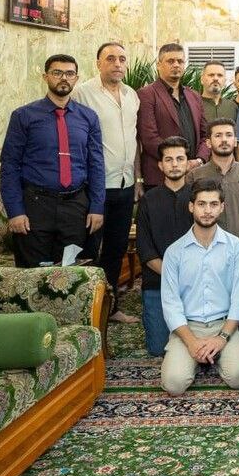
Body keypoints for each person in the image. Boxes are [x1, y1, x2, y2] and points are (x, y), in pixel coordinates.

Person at [1, 54, 105, 268]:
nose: (64, 78)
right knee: (32, 275)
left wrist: (97, 207)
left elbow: (96, 165)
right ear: (45, 76)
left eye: (70, 73)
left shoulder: (89, 117)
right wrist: (15, 211)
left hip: (76, 207)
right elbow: (10, 166)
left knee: (73, 273)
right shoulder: (23, 116)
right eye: (57, 73)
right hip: (35, 207)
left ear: (76, 78)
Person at [159, 177, 239, 396]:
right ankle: (200, 357)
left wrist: (221, 339)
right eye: (201, 204)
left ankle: (212, 355)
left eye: (213, 204)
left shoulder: (236, 247)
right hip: (187, 327)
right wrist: (191, 342)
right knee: (174, 384)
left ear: (222, 207)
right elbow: (171, 304)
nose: (207, 211)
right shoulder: (174, 252)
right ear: (191, 207)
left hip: (224, 325)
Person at [70, 42, 140, 322]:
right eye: (110, 58)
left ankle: (110, 308)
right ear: (98, 63)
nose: (117, 63)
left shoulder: (132, 95)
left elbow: (134, 140)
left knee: (116, 248)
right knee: (89, 249)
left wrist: (137, 178)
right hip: (94, 187)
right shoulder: (82, 93)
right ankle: (86, 312)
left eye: (122, 58)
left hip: (125, 184)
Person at [135, 137, 192, 356]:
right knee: (159, 349)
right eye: (169, 160)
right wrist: (173, 276)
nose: (175, 164)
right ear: (160, 165)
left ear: (187, 162)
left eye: (180, 159)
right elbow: (145, 250)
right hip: (157, 284)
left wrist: (187, 277)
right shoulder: (148, 200)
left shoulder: (198, 199)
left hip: (194, 284)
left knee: (196, 343)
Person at [189, 118, 239, 264]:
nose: (224, 140)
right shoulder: (194, 176)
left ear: (235, 141)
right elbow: (190, 217)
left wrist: (238, 249)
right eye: (218, 135)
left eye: (229, 135)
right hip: (206, 258)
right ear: (208, 143)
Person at [136, 43, 209, 187]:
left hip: (193, 176)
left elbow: (205, 135)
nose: (176, 65)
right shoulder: (146, 94)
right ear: (158, 65)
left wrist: (199, 160)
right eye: (170, 61)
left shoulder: (194, 96)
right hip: (160, 178)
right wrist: (179, 161)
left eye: (180, 61)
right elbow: (149, 138)